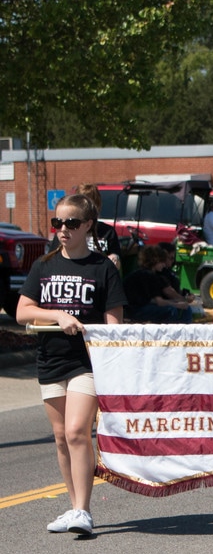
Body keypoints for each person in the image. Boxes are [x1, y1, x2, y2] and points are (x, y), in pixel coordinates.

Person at [17, 193, 126, 536]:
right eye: (58, 222)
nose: (63, 229)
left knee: (78, 431)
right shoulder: (44, 266)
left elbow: (114, 325)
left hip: (86, 362)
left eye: (71, 223)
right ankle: (74, 504)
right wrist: (57, 315)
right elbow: (23, 311)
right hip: (50, 359)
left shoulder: (102, 268)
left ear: (88, 225)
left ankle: (83, 510)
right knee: (61, 437)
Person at [47, 183, 122, 271]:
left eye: (89, 207)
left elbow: (117, 259)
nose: (64, 228)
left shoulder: (108, 232)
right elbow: (51, 259)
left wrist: (114, 258)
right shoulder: (64, 231)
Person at [123, 245, 194, 323]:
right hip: (135, 310)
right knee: (172, 310)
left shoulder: (139, 273)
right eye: (162, 262)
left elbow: (151, 300)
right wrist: (177, 304)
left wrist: (176, 302)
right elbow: (160, 302)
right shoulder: (150, 276)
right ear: (155, 260)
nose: (164, 265)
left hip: (130, 309)